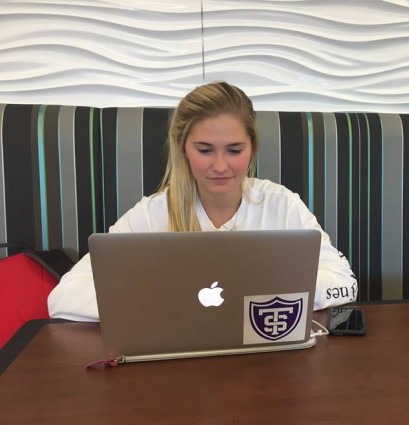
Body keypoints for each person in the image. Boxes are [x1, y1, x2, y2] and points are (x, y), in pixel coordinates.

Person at [48, 81, 358, 322]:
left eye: (235, 150)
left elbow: (344, 284)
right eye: (205, 150)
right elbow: (64, 297)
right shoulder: (152, 214)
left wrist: (266, 292)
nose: (221, 166)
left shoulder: (283, 206)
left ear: (252, 148)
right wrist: (166, 302)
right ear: (183, 148)